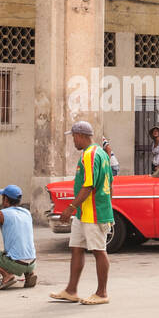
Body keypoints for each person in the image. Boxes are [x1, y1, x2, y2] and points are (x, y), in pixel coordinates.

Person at [50, 120, 113, 305]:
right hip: (84, 212)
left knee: (99, 250)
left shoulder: (90, 155)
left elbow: (88, 185)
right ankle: (71, 290)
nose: (73, 142)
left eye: (73, 138)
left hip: (93, 212)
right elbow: (110, 183)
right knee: (76, 247)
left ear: (80, 136)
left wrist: (71, 207)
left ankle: (102, 293)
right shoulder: (101, 153)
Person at [0, 184, 37, 290]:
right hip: (32, 263)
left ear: (6, 199)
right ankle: (29, 274)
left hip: (16, 264)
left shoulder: (2, 214)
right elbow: (6, 220)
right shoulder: (26, 212)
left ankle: (7, 275)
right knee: (22, 251)